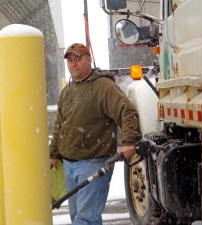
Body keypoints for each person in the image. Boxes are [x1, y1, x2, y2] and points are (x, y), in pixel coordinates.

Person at [49, 43, 142, 225]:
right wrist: (53, 153)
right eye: (70, 60)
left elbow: (126, 111)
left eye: (78, 59)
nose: (73, 64)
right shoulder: (67, 91)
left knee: (86, 219)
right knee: (77, 216)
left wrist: (130, 140)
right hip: (69, 164)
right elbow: (60, 125)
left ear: (89, 59)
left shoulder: (103, 86)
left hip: (93, 163)